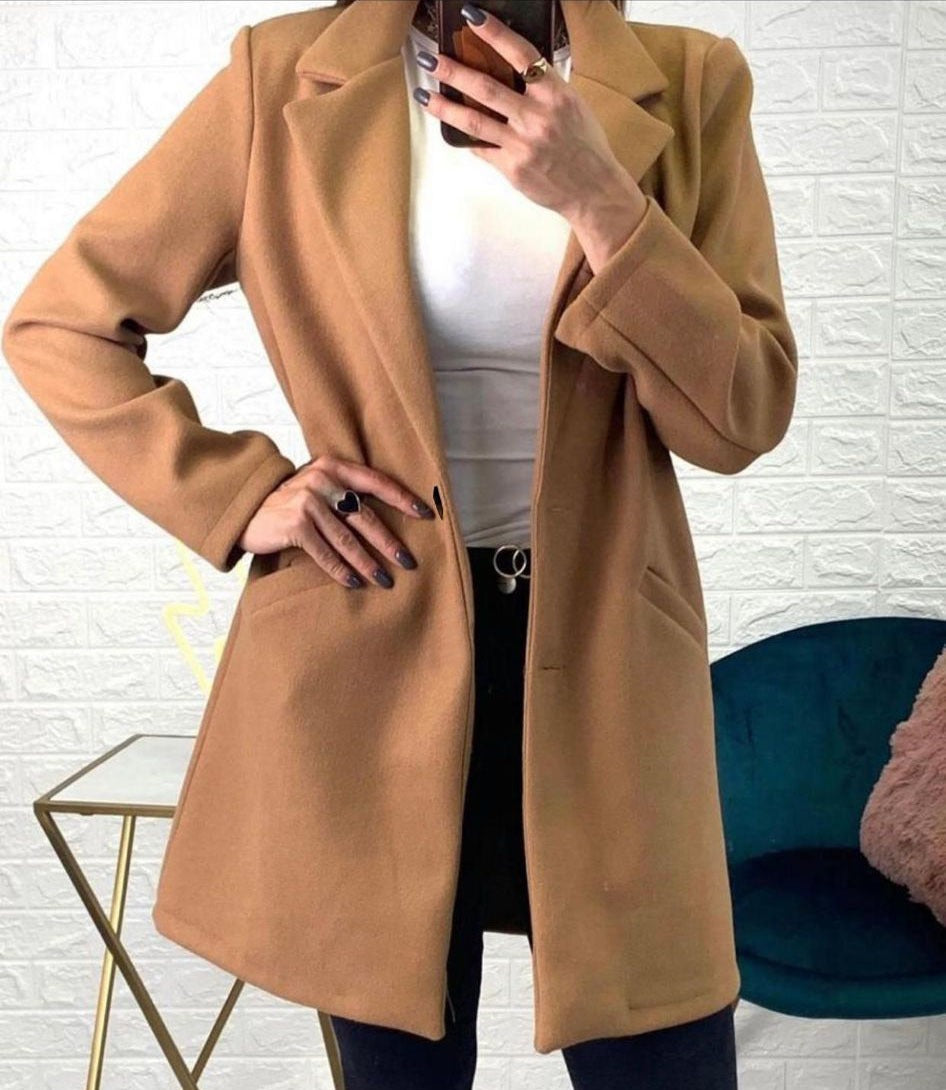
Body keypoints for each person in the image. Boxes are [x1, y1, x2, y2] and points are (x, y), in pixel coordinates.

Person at [2, 1, 796, 1086]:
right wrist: (245, 495)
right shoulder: (282, 76)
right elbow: (62, 324)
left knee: (665, 1058)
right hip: (370, 649)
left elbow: (741, 417)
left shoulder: (692, 81)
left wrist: (600, 199)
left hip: (608, 657)